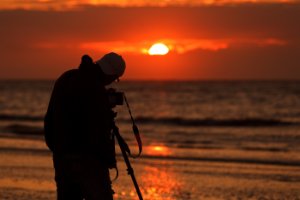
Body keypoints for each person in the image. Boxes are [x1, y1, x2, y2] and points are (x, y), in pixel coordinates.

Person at [44, 52, 126, 200]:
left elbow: (50, 116)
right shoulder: (96, 90)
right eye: (115, 79)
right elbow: (97, 130)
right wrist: (108, 159)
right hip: (88, 159)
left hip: (61, 156)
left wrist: (56, 147)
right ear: (111, 75)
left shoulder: (66, 77)